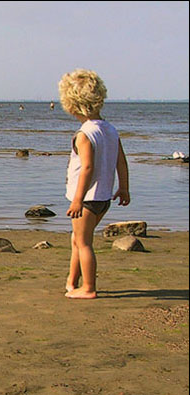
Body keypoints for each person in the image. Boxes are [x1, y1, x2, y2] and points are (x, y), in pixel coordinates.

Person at [59, 68, 130, 299]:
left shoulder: (85, 134)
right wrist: (124, 187)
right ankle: (72, 281)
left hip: (87, 200)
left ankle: (88, 288)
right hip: (103, 198)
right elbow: (121, 161)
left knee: (83, 242)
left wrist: (78, 200)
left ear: (72, 105)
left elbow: (87, 168)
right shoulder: (109, 129)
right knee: (77, 239)